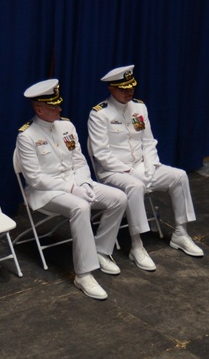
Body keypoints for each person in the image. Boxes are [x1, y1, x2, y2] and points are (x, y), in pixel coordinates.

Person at [15, 79, 127, 300]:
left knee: (119, 198)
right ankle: (83, 274)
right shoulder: (27, 136)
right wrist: (71, 188)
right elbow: (36, 179)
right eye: (53, 106)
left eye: (59, 104)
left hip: (78, 183)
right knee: (80, 208)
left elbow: (79, 160)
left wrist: (84, 182)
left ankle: (101, 250)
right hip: (47, 193)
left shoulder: (67, 126)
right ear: (39, 108)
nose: (60, 108)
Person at [88, 65, 203, 271]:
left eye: (131, 87)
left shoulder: (139, 107)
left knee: (179, 176)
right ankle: (137, 245)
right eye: (123, 89)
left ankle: (181, 233)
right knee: (135, 187)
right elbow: (101, 154)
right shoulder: (99, 114)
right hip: (114, 173)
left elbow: (149, 142)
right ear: (112, 89)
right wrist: (131, 172)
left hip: (142, 167)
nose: (129, 92)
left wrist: (150, 166)